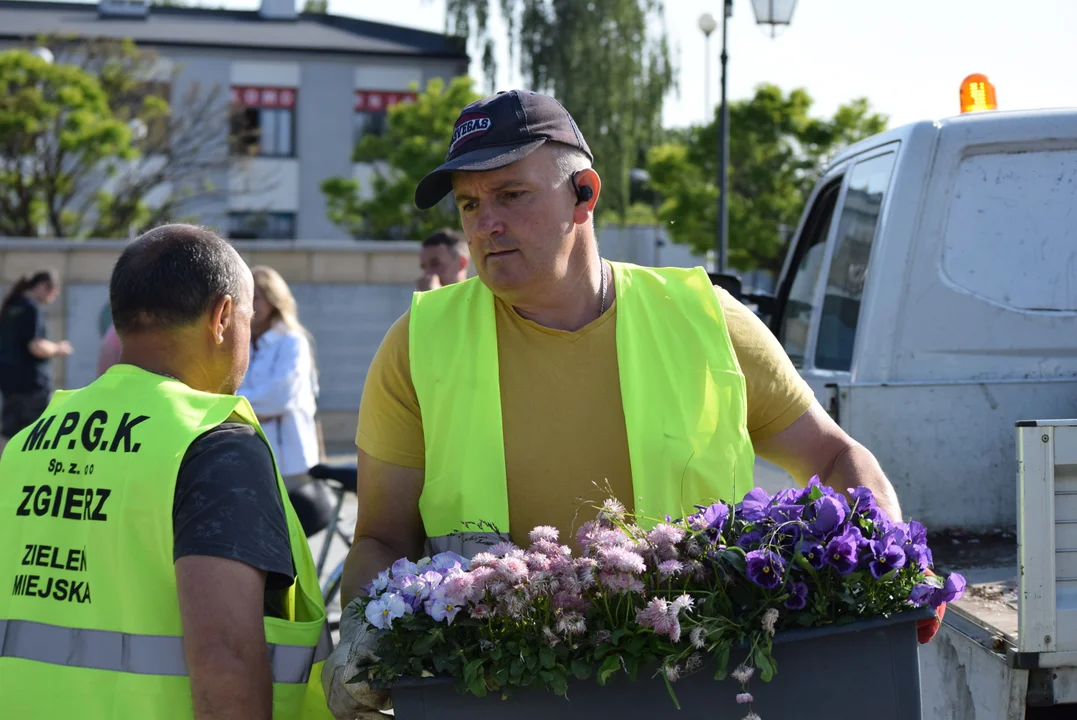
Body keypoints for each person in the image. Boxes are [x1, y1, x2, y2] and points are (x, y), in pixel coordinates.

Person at [322, 90, 940, 717]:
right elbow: (379, 536)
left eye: (511, 195)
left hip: (698, 688)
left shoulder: (707, 320)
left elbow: (834, 458)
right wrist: (371, 641)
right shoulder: (420, 342)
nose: (486, 224)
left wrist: (889, 569)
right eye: (470, 203)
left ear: (584, 194)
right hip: (503, 697)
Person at [0, 225, 332, 719]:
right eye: (245, 317)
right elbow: (226, 659)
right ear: (222, 317)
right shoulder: (214, 443)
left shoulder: (28, 443)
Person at [238, 265, 321, 492]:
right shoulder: (240, 344)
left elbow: (280, 397)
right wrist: (256, 408)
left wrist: (237, 405)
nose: (247, 305)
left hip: (291, 463)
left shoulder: (292, 341)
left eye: (254, 297)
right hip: (251, 457)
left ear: (273, 300)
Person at [0, 269, 73, 443]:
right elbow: (35, 346)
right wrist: (58, 348)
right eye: (53, 294)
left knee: (10, 434)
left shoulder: (11, 306)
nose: (52, 299)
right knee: (40, 433)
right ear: (43, 287)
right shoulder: (31, 308)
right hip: (32, 385)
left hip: (9, 383)